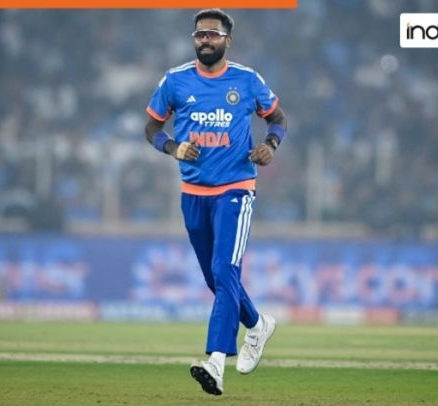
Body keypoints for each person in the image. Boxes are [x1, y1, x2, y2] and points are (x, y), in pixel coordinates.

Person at [144, 9, 287, 396]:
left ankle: (215, 362)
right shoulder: (175, 81)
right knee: (215, 277)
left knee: (225, 271)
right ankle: (257, 325)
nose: (205, 39)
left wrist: (270, 145)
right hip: (193, 193)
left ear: (228, 41)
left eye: (212, 34)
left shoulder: (247, 79)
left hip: (235, 190)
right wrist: (173, 147)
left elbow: (278, 119)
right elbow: (152, 127)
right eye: (200, 34)